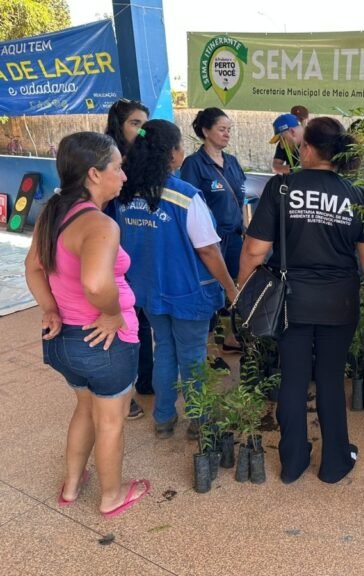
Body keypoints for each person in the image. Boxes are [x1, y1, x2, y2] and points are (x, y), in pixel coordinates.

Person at [239, 117, 364, 484]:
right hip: (340, 301)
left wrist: (243, 291)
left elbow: (255, 250)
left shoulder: (282, 188)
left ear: (307, 149)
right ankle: (336, 461)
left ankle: (293, 462)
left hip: (293, 302)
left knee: (293, 378)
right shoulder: (359, 196)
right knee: (331, 379)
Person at [24, 131, 150, 518]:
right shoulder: (99, 225)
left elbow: (32, 267)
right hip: (104, 343)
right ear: (95, 174)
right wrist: (112, 314)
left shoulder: (53, 212)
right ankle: (111, 496)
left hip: (65, 342)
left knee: (84, 409)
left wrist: (49, 308)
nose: (124, 176)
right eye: (118, 167)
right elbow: (96, 283)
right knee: (110, 421)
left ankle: (72, 485)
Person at [115, 119, 237, 439]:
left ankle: (164, 418)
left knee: (164, 349)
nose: (183, 151)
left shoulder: (125, 196)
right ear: (170, 154)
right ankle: (198, 419)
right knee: (193, 356)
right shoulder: (185, 196)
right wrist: (231, 287)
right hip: (188, 294)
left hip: (149, 292)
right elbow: (209, 252)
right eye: (180, 145)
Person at [180, 108, 246, 359]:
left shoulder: (232, 162)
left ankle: (231, 337)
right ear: (205, 131)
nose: (227, 134)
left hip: (236, 238)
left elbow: (239, 199)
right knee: (212, 292)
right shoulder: (194, 165)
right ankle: (206, 349)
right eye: (221, 129)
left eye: (229, 129)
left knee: (237, 289)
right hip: (210, 242)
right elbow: (190, 204)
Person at [105, 98, 152, 420]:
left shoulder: (142, 159)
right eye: (135, 123)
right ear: (119, 125)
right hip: (111, 252)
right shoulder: (105, 157)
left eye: (144, 124)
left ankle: (146, 381)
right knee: (122, 322)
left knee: (142, 321)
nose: (141, 130)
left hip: (139, 251)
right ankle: (123, 389)